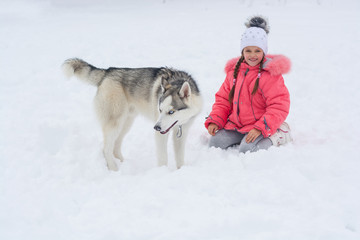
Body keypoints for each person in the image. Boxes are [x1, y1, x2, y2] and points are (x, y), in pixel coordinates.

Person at [204, 16, 292, 153]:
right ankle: (243, 137)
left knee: (248, 149)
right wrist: (216, 120)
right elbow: (223, 100)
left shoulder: (270, 75)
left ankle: (279, 133)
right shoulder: (234, 72)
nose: (252, 55)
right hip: (237, 125)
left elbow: (279, 105)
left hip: (260, 125)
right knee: (215, 142)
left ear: (264, 51)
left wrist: (260, 127)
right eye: (248, 50)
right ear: (242, 51)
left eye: (257, 50)